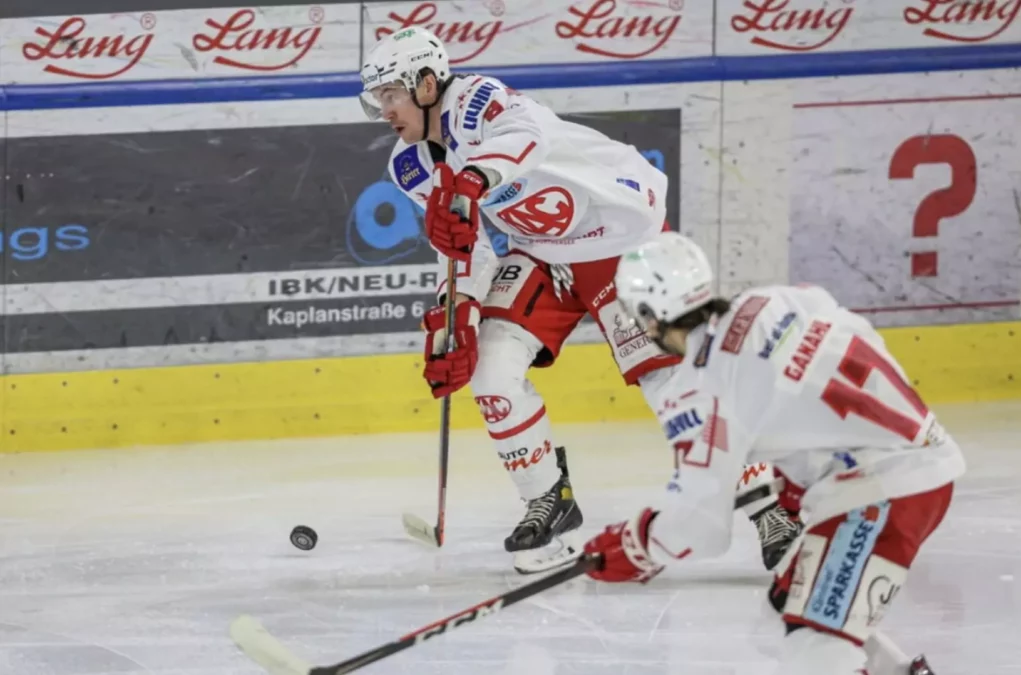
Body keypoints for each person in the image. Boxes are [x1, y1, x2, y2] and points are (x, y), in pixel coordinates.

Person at [359, 27, 801, 574]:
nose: (384, 111)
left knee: (672, 386)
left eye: (391, 95)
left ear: (427, 84)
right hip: (544, 251)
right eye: (377, 100)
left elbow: (525, 136)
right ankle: (551, 502)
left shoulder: (477, 101)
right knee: (491, 372)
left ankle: (769, 508)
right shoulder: (411, 167)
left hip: (624, 242)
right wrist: (457, 314)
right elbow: (461, 247)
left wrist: (473, 178)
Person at [582, 232, 964, 674]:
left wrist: (637, 542)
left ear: (650, 315)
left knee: (815, 651)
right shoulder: (782, 298)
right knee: (778, 621)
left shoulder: (696, 391)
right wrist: (809, 465)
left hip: (879, 492)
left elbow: (700, 527)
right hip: (916, 456)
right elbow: (839, 355)